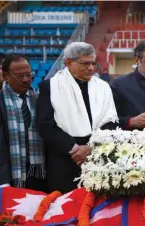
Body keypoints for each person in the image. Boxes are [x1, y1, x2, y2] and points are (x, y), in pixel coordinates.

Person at [36, 42, 118, 193]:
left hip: (97, 155)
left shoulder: (103, 87)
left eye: (93, 63)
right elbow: (45, 124)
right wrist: (74, 149)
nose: (91, 68)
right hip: (63, 158)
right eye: (85, 64)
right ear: (68, 63)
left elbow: (111, 121)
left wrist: (90, 147)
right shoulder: (50, 87)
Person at [0, 54, 46, 202]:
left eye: (29, 75)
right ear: (6, 76)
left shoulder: (40, 99)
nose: (26, 80)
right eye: (20, 76)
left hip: (38, 175)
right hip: (10, 176)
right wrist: (3, 182)